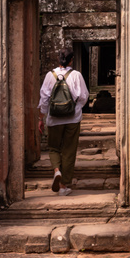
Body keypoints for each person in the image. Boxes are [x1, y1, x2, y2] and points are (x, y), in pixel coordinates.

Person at [38, 47, 89, 195]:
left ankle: (56, 170)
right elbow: (84, 97)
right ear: (71, 60)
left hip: (54, 118)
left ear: (58, 59)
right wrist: (75, 107)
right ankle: (63, 185)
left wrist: (41, 118)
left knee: (54, 148)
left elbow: (44, 99)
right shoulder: (76, 75)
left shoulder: (50, 75)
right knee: (69, 150)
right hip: (72, 118)